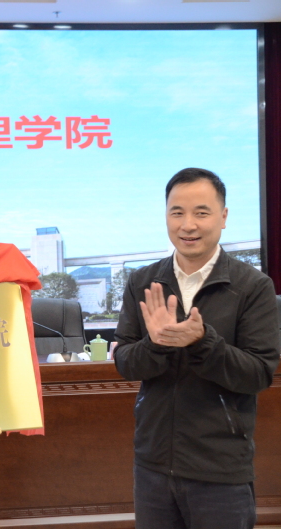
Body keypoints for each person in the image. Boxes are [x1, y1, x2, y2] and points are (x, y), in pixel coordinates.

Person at [114, 168, 279, 529]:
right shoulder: (143, 281)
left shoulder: (253, 287)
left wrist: (202, 342)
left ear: (223, 217)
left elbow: (258, 374)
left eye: (201, 213)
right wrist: (156, 344)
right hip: (153, 465)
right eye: (177, 213)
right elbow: (125, 361)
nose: (188, 225)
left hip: (221, 469)